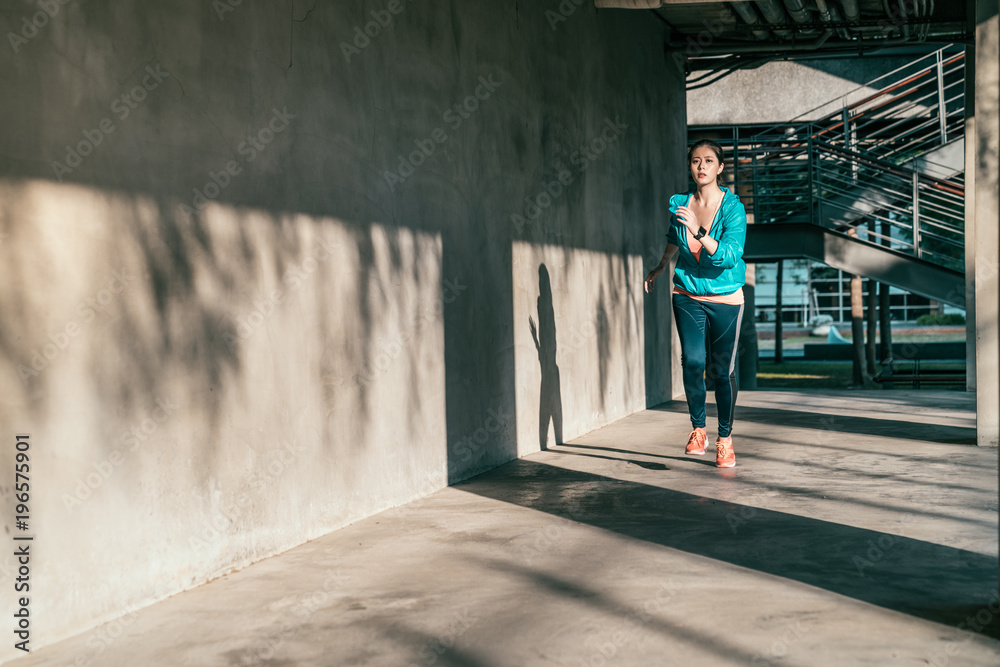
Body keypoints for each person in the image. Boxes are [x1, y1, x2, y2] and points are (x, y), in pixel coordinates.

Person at [644, 139, 747, 468]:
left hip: (726, 297)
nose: (701, 166)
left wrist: (700, 231)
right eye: (695, 161)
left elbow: (730, 256)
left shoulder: (733, 209)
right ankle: (698, 430)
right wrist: (661, 266)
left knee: (721, 370)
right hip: (686, 292)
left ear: (720, 167)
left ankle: (725, 438)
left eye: (708, 161)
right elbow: (674, 239)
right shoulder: (679, 203)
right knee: (692, 361)